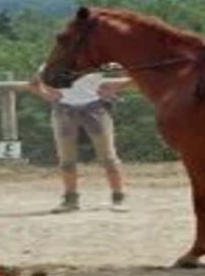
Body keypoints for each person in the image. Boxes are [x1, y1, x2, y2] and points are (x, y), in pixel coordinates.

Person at [30, 69, 133, 212]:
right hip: (65, 109)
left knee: (108, 157)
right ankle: (71, 199)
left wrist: (115, 86)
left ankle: (118, 197)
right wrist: (46, 94)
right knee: (67, 159)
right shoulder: (57, 63)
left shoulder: (97, 63)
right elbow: (35, 83)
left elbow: (130, 73)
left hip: (94, 108)